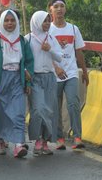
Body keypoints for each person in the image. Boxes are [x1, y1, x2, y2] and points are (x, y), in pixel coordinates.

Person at [0, 9, 34, 158]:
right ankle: (1, 138)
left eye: (12, 20)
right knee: (1, 113)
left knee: (19, 113)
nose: (10, 23)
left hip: (17, 80)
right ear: (1, 22)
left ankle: (19, 144)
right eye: (6, 20)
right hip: (1, 80)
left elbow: (29, 62)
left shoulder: (22, 41)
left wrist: (28, 81)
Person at [48, 0, 89, 150]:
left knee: (73, 103)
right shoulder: (48, 29)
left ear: (65, 9)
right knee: (56, 106)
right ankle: (60, 138)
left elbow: (79, 52)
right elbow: (45, 53)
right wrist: (56, 67)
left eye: (62, 6)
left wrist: (84, 72)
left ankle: (77, 137)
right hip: (54, 74)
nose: (59, 9)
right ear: (50, 10)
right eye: (56, 6)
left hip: (71, 73)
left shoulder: (73, 29)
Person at [25, 11, 62, 156]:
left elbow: (59, 58)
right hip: (34, 78)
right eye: (44, 21)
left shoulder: (51, 38)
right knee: (38, 109)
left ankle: (45, 141)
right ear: (36, 22)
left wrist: (50, 50)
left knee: (50, 111)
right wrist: (25, 72)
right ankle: (37, 139)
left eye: (48, 20)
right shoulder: (28, 39)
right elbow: (22, 57)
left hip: (49, 78)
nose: (47, 23)